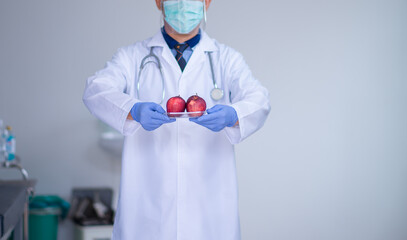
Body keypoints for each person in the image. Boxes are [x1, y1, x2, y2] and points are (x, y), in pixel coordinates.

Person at [83, 0, 270, 239]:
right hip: (148, 210)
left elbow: (260, 99)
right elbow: (95, 90)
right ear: (159, 2)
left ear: (207, 2)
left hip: (209, 210)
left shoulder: (227, 59)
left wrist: (233, 114)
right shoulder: (131, 57)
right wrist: (133, 109)